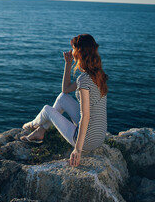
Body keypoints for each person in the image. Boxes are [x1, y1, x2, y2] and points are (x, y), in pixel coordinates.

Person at [20, 34, 108, 167]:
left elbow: (85, 117)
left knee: (46, 109)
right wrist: (68, 64)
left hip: (87, 141)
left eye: (73, 49)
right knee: (62, 97)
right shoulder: (98, 74)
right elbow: (66, 89)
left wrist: (77, 150)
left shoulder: (84, 80)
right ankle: (40, 131)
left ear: (79, 52)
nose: (71, 52)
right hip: (99, 136)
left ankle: (32, 125)